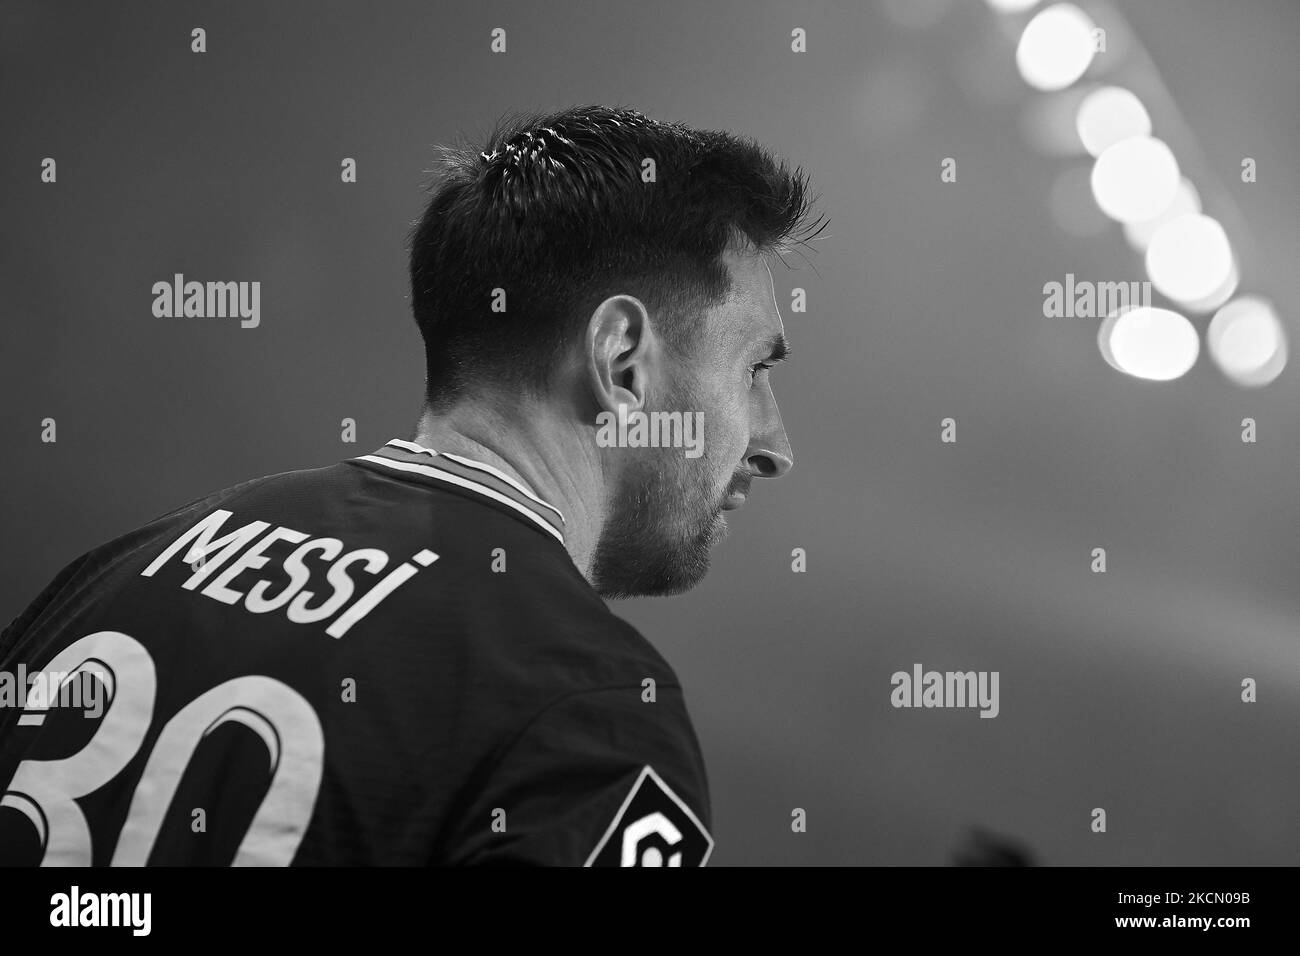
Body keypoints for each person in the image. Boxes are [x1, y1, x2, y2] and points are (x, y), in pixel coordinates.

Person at [0, 105, 822, 866]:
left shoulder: (118, 574)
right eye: (754, 369)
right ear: (621, 361)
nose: (775, 447)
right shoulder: (584, 711)